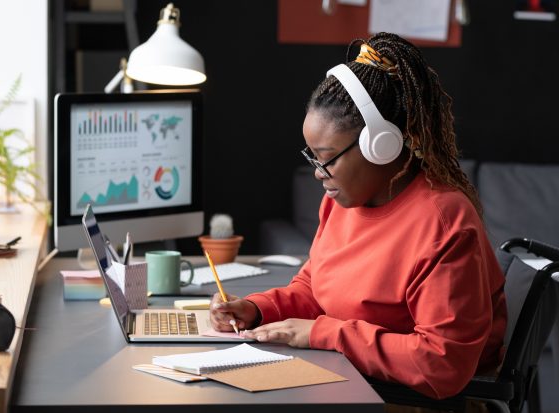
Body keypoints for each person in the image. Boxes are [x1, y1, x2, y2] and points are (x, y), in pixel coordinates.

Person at [210, 32, 507, 402]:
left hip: (415, 401)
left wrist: (322, 334)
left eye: (328, 157)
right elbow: (314, 288)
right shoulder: (340, 201)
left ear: (382, 145)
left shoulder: (443, 222)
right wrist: (257, 308)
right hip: (352, 381)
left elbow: (441, 365)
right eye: (312, 157)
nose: (319, 172)